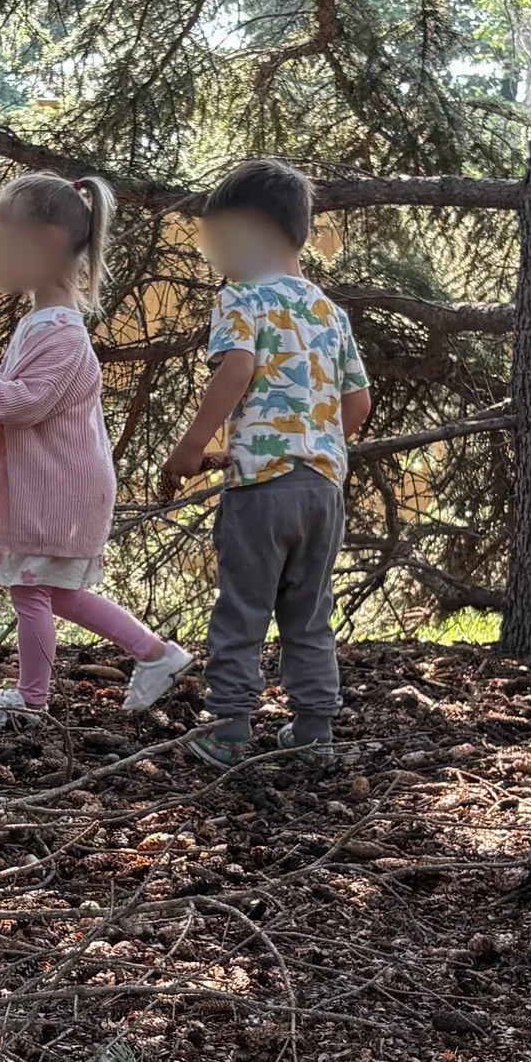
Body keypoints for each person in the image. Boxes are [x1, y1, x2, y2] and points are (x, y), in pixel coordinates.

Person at [0, 172, 192, 731]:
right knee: (55, 591)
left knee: (32, 593)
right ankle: (156, 655)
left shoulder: (63, 332)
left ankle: (31, 703)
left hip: (59, 489)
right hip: (54, 484)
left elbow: (25, 403)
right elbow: (18, 385)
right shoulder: (42, 322)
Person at [160, 157, 370, 767]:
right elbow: (356, 402)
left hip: (260, 489)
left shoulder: (241, 298)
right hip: (323, 485)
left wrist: (193, 445)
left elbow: (237, 369)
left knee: (243, 606)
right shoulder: (329, 311)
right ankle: (314, 729)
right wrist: (313, 440)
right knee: (309, 612)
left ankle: (228, 730)